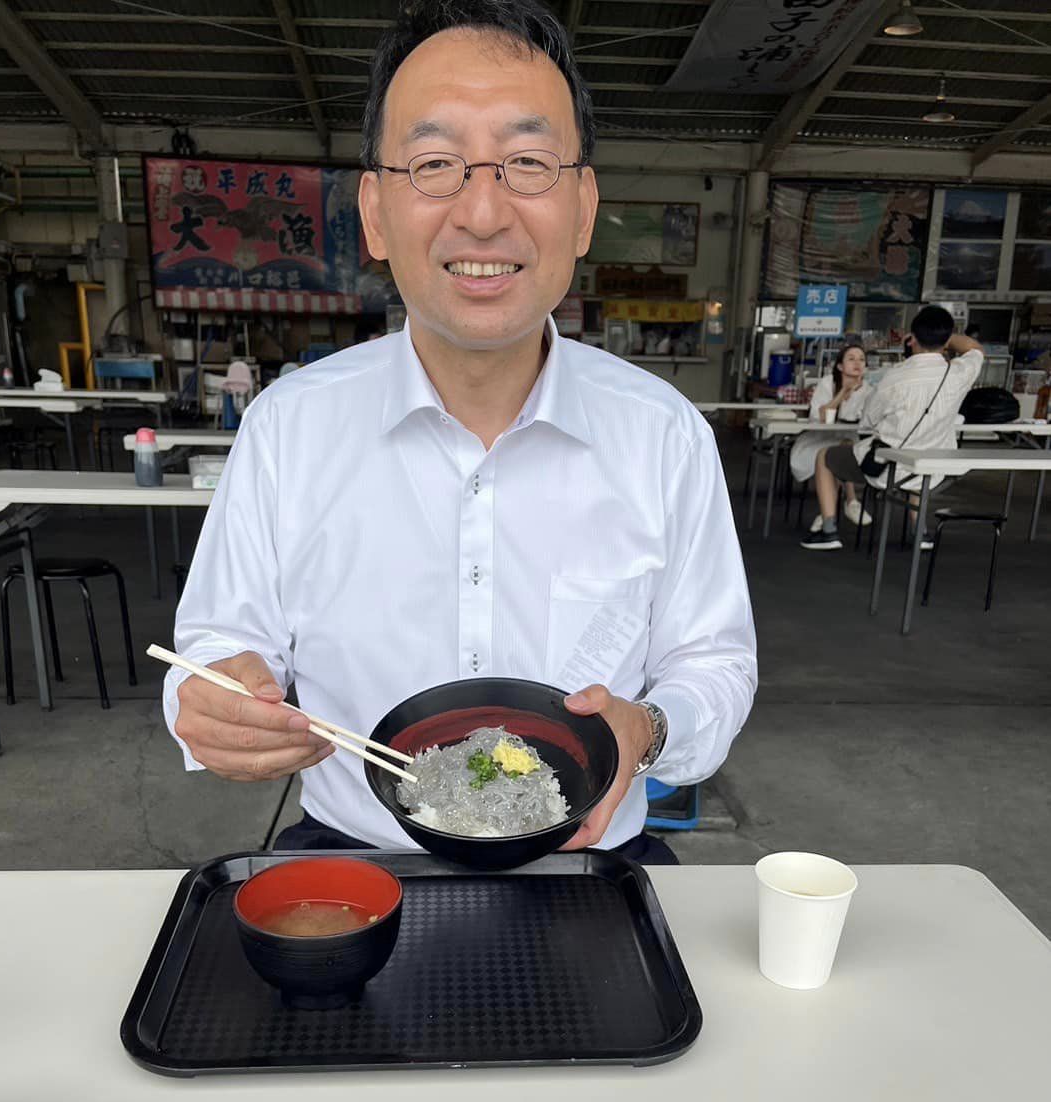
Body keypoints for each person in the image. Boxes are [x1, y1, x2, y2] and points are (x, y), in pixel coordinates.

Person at [164, 0, 757, 865]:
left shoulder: (663, 433)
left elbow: (715, 660)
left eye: (527, 162)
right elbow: (217, 645)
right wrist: (214, 696)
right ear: (373, 210)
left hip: (592, 863)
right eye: (436, 163)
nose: (483, 214)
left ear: (584, 206)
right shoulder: (289, 426)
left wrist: (653, 727)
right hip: (352, 859)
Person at [800, 305, 983, 552]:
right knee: (920, 463)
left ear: (912, 338)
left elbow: (869, 421)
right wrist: (945, 337)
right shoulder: (960, 372)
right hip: (935, 466)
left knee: (825, 456)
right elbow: (974, 349)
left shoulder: (895, 376)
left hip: (888, 468)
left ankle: (829, 530)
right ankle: (921, 533)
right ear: (946, 339)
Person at [791, 341, 872, 531]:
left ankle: (829, 513)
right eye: (851, 359)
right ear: (840, 366)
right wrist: (843, 392)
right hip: (818, 439)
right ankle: (848, 503)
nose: (857, 363)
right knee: (836, 451)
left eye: (861, 359)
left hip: (849, 439)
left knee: (843, 447)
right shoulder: (828, 383)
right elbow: (820, 415)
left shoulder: (869, 390)